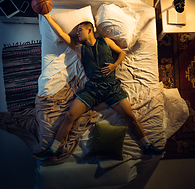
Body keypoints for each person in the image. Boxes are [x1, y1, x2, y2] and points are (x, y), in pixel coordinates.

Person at [33, 14, 165, 160]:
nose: (77, 33)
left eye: (79, 30)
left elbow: (121, 53)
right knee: (69, 115)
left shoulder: (106, 41)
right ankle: (53, 150)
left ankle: (148, 146)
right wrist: (46, 16)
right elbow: (61, 33)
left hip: (111, 88)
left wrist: (115, 65)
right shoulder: (79, 47)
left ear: (90, 30)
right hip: (92, 89)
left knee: (130, 117)